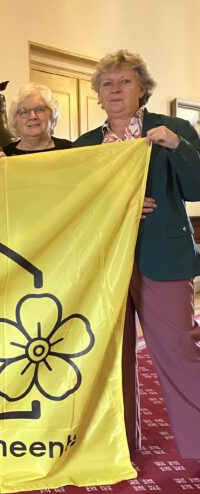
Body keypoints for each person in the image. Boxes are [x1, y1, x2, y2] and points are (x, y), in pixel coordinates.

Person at [74, 49, 200, 458]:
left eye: (124, 81)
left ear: (142, 89)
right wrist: (118, 205)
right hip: (105, 261)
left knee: (179, 352)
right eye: (106, 84)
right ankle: (119, 447)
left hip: (163, 258)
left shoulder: (173, 130)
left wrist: (179, 144)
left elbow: (197, 189)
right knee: (111, 360)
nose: (115, 89)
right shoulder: (86, 145)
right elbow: (72, 203)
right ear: (97, 94)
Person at [3, 83, 72, 155]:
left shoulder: (71, 150)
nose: (33, 117)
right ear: (15, 121)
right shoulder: (5, 154)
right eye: (24, 112)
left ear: (52, 115)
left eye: (40, 110)